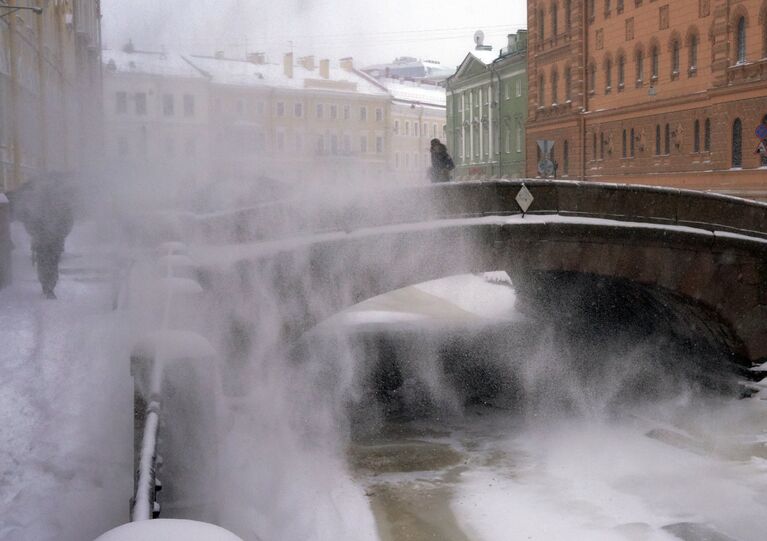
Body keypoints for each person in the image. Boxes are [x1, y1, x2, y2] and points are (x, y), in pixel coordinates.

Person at [17, 174, 75, 299]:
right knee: (50, 263)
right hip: (48, 240)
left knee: (46, 263)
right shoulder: (42, 203)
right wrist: (61, 234)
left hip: (48, 239)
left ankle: (48, 285)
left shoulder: (57, 203)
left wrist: (60, 233)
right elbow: (29, 220)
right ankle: (48, 286)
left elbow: (68, 221)